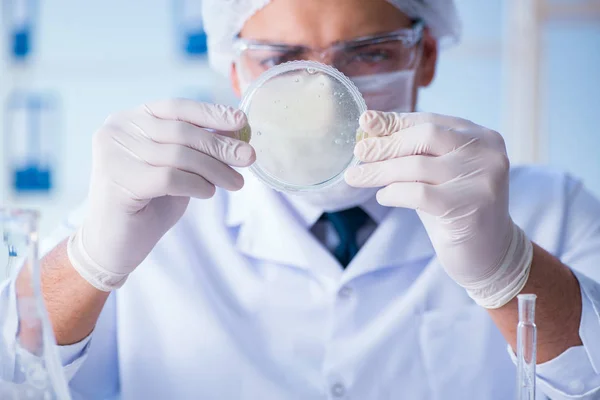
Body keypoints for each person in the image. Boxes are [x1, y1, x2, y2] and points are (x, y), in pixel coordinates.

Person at [1, 0, 600, 399]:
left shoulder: (552, 207)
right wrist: (87, 263)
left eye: (369, 53)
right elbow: (16, 378)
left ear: (425, 55)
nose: (323, 88)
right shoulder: (145, 213)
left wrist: (509, 270)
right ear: (236, 72)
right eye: (282, 59)